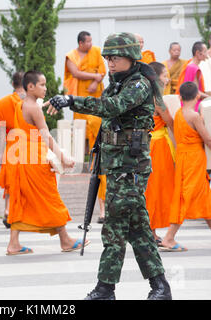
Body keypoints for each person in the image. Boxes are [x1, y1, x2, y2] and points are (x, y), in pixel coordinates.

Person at [48, 32, 171, 300]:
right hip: (116, 166)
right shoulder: (115, 84)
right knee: (138, 229)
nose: (110, 64)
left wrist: (72, 100)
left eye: (114, 59)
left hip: (131, 167)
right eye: (107, 59)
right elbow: (108, 122)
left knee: (114, 226)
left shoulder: (138, 85)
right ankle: (160, 286)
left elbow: (113, 107)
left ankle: (106, 288)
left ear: (130, 58)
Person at [6, 70, 82, 255]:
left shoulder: (21, 104)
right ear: (30, 87)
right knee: (50, 197)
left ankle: (13, 244)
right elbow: (46, 135)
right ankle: (65, 240)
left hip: (22, 157)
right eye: (42, 84)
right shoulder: (34, 109)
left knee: (21, 199)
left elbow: (31, 117)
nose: (45, 88)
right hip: (36, 159)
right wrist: (63, 157)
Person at [159, 81, 211, 251]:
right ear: (198, 96)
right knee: (187, 196)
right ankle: (169, 238)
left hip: (184, 158)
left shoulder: (178, 114)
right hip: (193, 159)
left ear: (180, 97)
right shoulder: (194, 116)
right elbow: (208, 139)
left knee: (202, 196)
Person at [64, 31, 107, 223]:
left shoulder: (97, 51)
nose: (90, 43)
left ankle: (94, 157)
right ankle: (83, 159)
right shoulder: (71, 56)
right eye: (87, 41)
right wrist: (94, 78)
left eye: (91, 40)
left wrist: (98, 80)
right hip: (80, 99)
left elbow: (103, 70)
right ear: (80, 43)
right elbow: (75, 73)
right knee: (81, 129)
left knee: (96, 128)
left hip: (96, 99)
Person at [0, 71, 26, 228]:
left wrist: (1, 156)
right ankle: (21, 212)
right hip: (28, 145)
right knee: (25, 181)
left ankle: (7, 210)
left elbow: (1, 132)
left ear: (12, 84)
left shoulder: (2, 103)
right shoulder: (32, 102)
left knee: (10, 181)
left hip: (11, 145)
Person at [145, 62, 175, 245]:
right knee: (156, 190)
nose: (168, 79)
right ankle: (152, 232)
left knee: (150, 189)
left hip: (148, 145)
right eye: (165, 75)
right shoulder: (157, 99)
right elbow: (169, 121)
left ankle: (151, 231)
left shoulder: (145, 95)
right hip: (157, 146)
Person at [175, 41, 210, 111]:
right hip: (193, 106)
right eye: (205, 51)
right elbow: (196, 92)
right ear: (198, 53)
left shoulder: (191, 65)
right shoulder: (193, 68)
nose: (207, 54)